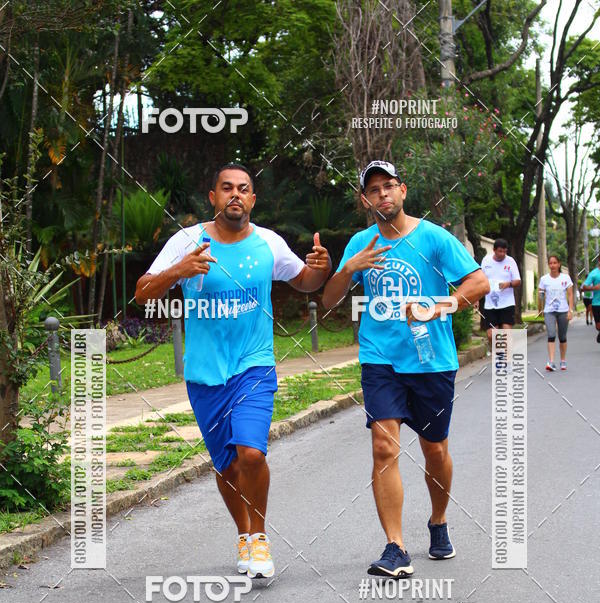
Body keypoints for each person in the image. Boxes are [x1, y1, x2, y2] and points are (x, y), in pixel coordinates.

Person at [135, 163, 331, 579]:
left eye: (243, 189)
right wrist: (177, 271)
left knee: (252, 453)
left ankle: (258, 538)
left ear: (253, 199)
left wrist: (322, 266)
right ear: (213, 196)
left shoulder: (269, 243)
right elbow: (142, 292)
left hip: (254, 365)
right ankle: (243, 534)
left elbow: (307, 282)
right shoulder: (188, 241)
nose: (235, 195)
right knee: (226, 465)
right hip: (205, 375)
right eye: (227, 188)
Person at [322, 160, 489, 578]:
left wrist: (439, 306)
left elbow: (479, 283)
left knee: (435, 450)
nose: (382, 195)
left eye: (388, 186)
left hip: (432, 360)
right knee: (383, 447)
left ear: (403, 190)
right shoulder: (361, 243)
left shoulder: (433, 238)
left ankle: (438, 521)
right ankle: (395, 548)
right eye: (373, 190)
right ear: (365, 200)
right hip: (381, 359)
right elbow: (328, 301)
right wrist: (348, 269)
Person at [480, 238, 521, 352]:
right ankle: (498, 352)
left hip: (507, 303)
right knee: (491, 334)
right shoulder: (486, 261)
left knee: (506, 334)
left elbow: (518, 281)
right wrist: (476, 299)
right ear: (494, 250)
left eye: (504, 251)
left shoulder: (510, 261)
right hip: (490, 304)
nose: (502, 254)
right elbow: (480, 280)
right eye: (500, 251)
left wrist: (508, 284)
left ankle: (507, 362)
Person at [538, 255, 573, 371]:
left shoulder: (565, 278)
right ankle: (551, 361)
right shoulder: (544, 279)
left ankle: (563, 360)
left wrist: (570, 310)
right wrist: (541, 300)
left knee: (562, 337)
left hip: (563, 310)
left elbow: (570, 295)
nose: (552, 265)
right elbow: (541, 294)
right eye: (550, 263)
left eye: (554, 263)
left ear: (559, 264)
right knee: (551, 335)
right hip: (549, 311)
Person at [581, 258, 600, 343]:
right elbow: (584, 287)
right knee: (598, 326)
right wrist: (594, 288)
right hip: (597, 303)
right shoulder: (593, 274)